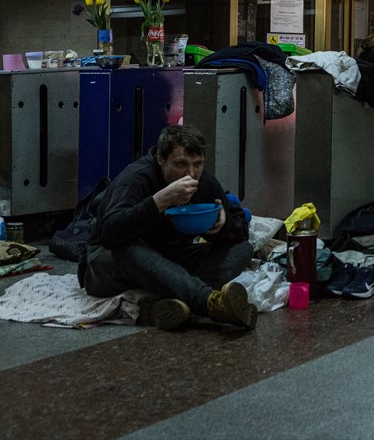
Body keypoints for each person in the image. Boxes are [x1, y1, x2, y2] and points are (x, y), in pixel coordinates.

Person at [79, 125, 257, 331]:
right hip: (111, 266)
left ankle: (170, 305)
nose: (191, 173)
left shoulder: (203, 182)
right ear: (160, 159)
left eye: (197, 164)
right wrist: (158, 202)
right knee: (129, 248)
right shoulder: (136, 178)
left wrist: (223, 224)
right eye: (180, 164)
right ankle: (209, 301)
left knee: (242, 248)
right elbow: (109, 234)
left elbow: (241, 229)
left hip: (169, 260)